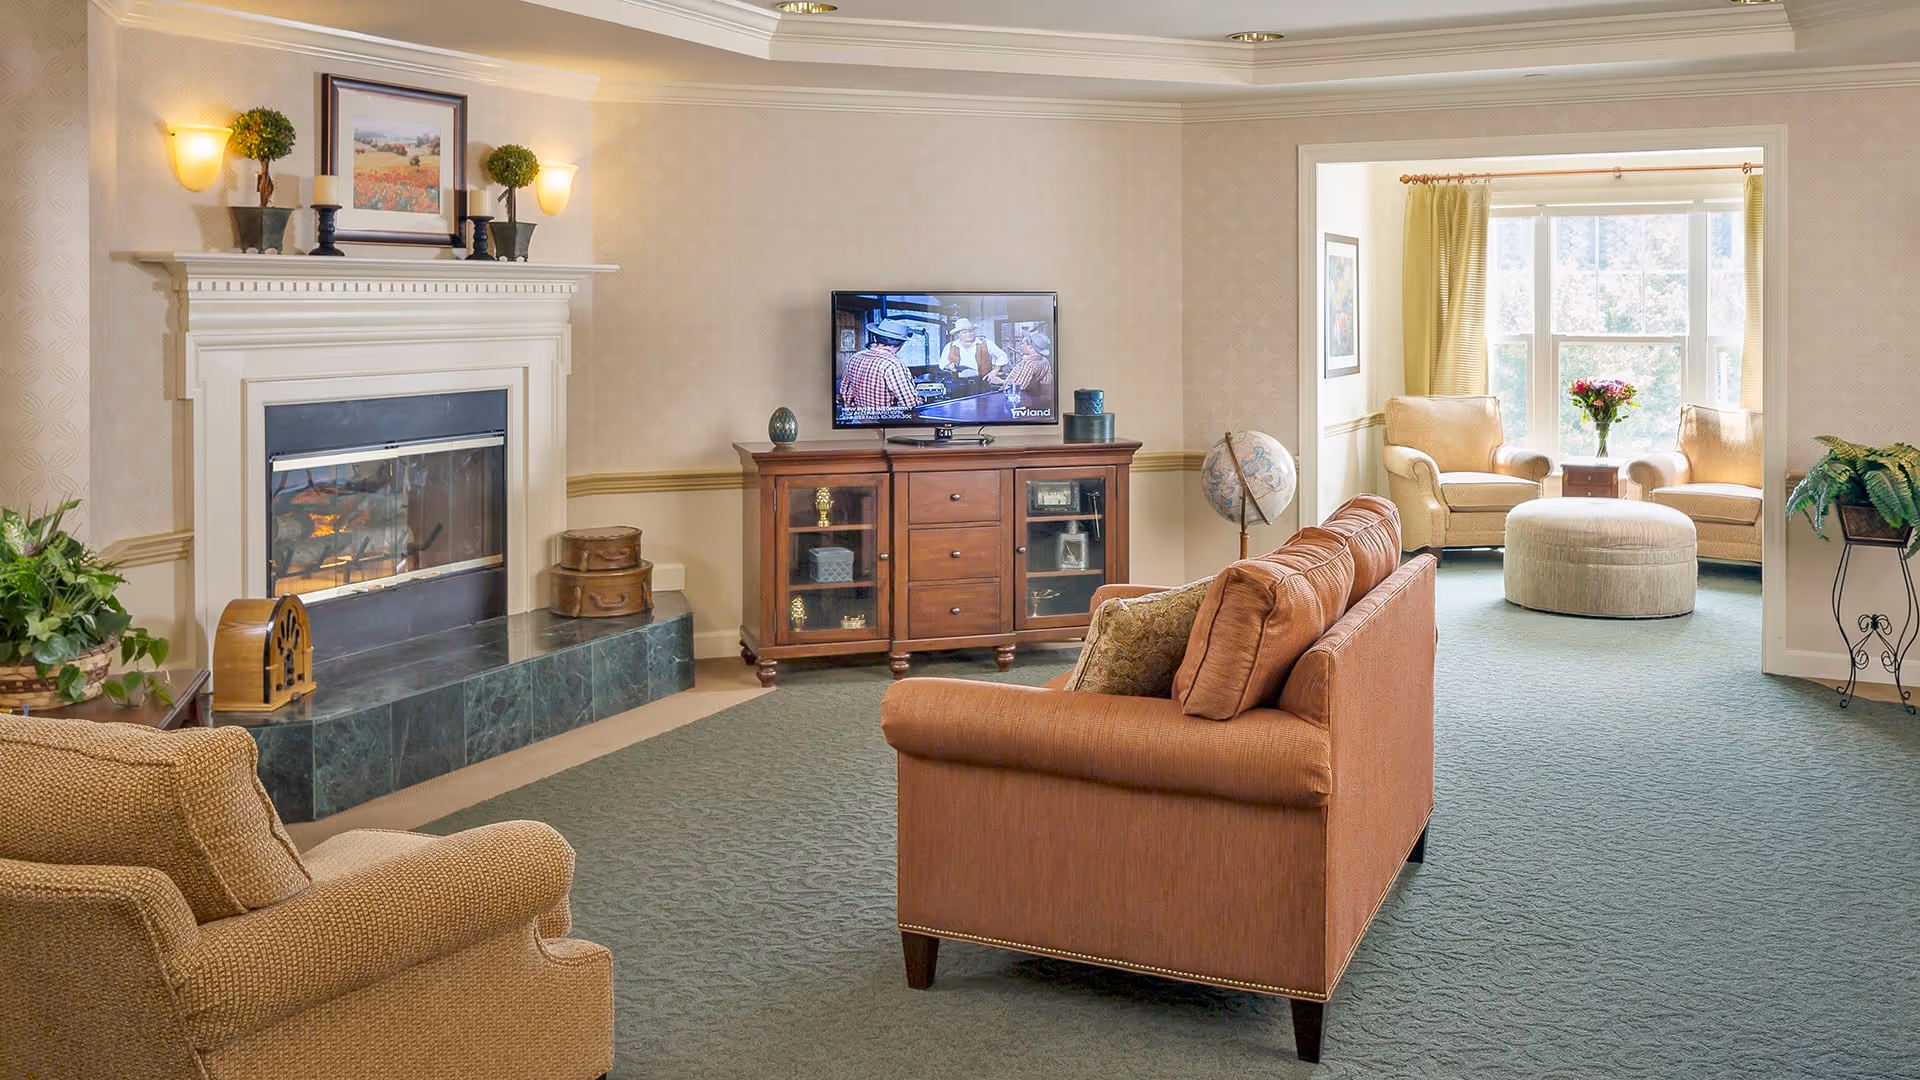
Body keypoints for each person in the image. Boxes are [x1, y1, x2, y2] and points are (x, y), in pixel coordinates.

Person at [838, 318, 922, 413]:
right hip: (885, 422)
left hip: (861, 419)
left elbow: (844, 390)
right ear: (901, 344)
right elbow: (910, 404)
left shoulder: (855, 357)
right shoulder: (893, 365)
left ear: (876, 338)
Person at [935, 317, 1008, 378]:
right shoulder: (950, 346)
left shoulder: (986, 343)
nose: (969, 334)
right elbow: (942, 364)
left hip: (982, 383)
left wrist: (994, 372)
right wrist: (949, 366)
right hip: (958, 383)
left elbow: (1002, 356)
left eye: (971, 331)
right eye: (964, 332)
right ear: (958, 335)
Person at [988, 328, 1053, 392]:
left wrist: (1000, 381)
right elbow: (1046, 381)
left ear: (1030, 347)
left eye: (1022, 343)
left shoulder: (1028, 364)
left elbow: (1018, 386)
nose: (1020, 346)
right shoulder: (1045, 361)